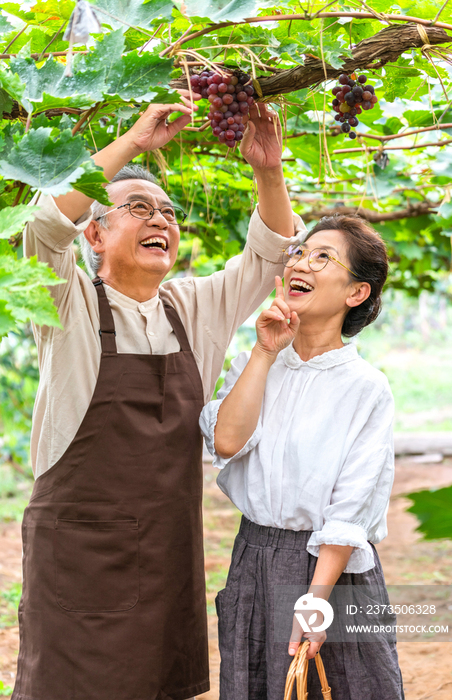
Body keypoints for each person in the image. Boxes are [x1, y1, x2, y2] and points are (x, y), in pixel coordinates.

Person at [12, 96, 308, 700]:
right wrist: (134, 143)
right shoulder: (63, 301)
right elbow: (45, 226)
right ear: (95, 233)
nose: (160, 221)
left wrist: (268, 169)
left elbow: (273, 253)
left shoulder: (192, 307)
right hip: (78, 549)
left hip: (169, 547)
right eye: (138, 208)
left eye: (168, 212)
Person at [200, 215, 405, 700]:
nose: (302, 262)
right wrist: (265, 351)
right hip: (254, 557)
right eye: (300, 252)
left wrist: (316, 599)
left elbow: (350, 507)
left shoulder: (366, 387)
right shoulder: (257, 362)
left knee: (347, 686)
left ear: (356, 293)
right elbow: (226, 442)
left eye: (322, 257)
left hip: (334, 569)